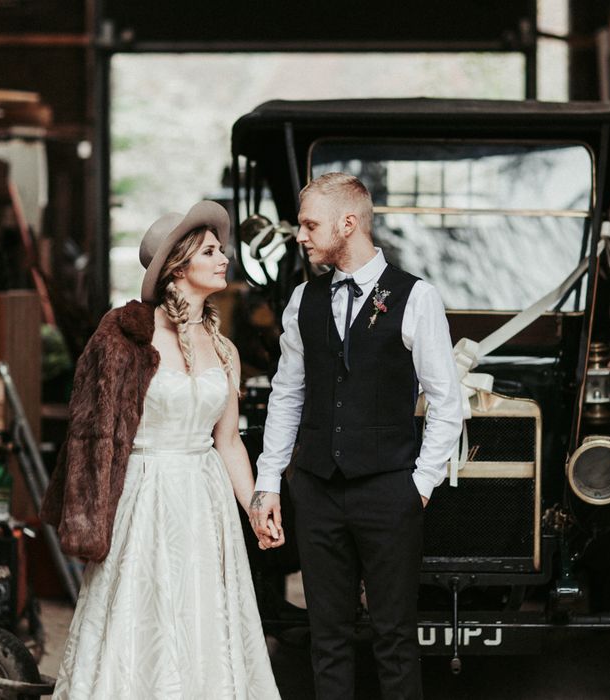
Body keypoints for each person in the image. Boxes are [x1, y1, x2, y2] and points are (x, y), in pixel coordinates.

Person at [41, 201, 281, 699]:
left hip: (204, 499)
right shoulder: (125, 337)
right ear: (177, 265)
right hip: (144, 499)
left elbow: (228, 441)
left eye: (221, 249)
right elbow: (90, 432)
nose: (224, 258)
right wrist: (88, 516)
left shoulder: (224, 347)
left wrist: (256, 505)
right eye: (211, 251)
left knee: (203, 620)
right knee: (141, 621)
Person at [249, 173, 463, 700]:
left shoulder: (417, 297)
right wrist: (269, 482)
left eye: (309, 224)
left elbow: (446, 400)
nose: (300, 234)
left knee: (394, 638)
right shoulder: (304, 299)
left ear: (349, 224)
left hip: (390, 492)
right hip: (318, 491)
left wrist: (420, 484)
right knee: (328, 638)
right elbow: (287, 394)